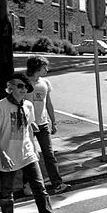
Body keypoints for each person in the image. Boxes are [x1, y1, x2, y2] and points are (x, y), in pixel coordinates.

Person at [0, 73, 67, 213]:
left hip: (28, 154)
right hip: (7, 154)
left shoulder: (28, 106)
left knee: (40, 188)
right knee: (6, 192)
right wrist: (2, 155)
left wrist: (32, 129)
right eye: (20, 86)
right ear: (10, 88)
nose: (24, 89)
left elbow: (29, 124)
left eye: (25, 86)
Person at [22, 55, 70, 196]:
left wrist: (53, 122)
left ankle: (57, 184)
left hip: (43, 125)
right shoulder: (23, 82)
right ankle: (27, 185)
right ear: (37, 68)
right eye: (44, 67)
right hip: (28, 126)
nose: (47, 70)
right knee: (30, 156)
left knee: (49, 155)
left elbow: (48, 103)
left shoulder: (45, 83)